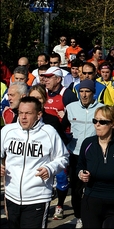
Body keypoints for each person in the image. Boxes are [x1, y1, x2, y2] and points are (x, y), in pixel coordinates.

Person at [1, 96, 69, 228]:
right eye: (20, 113)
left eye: (28, 113)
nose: (23, 117)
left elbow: (64, 158)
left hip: (37, 197)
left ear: (39, 115)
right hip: (11, 196)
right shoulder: (8, 131)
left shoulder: (49, 132)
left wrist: (50, 168)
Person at [62, 79, 104, 228]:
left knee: (96, 187)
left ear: (93, 93)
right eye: (81, 91)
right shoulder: (71, 107)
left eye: (87, 92)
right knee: (76, 189)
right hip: (75, 154)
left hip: (95, 154)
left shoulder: (102, 108)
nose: (84, 95)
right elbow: (62, 128)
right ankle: (79, 216)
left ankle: (97, 216)